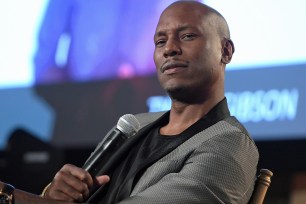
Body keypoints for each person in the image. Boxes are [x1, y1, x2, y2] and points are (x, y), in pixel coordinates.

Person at [0, 1, 259, 203]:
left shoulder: (230, 146)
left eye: (187, 36)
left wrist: (10, 196)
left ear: (225, 51)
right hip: (76, 111)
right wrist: (54, 193)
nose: (169, 49)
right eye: (160, 41)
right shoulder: (134, 125)